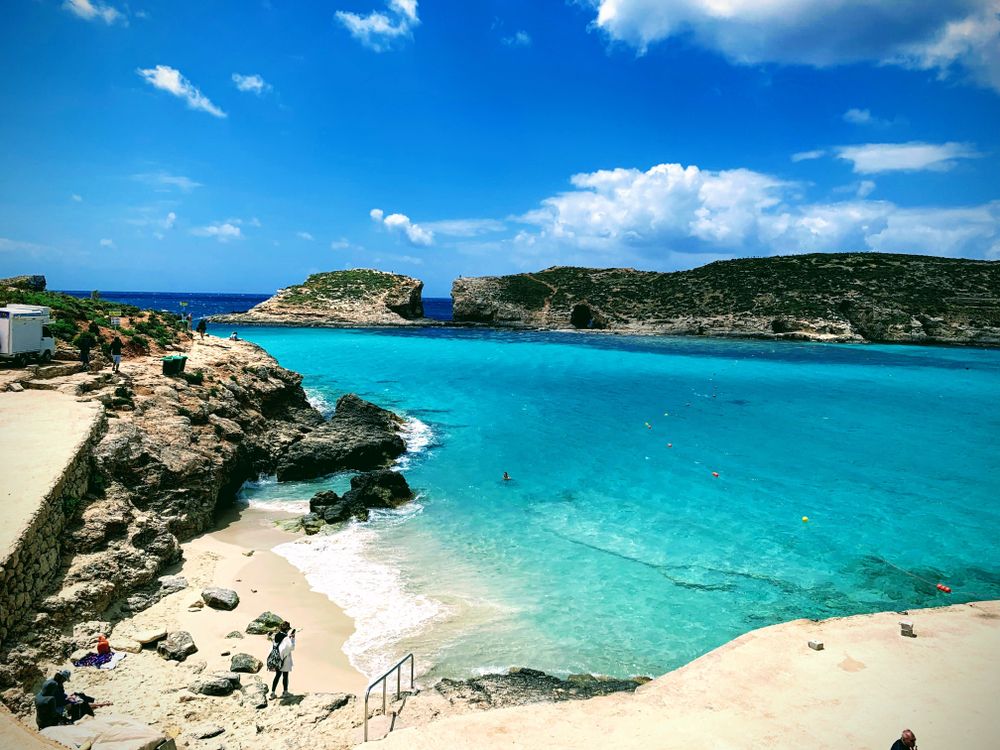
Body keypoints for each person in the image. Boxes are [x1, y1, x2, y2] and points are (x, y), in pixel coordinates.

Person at [269, 628, 295, 699]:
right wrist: (292, 639)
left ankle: (272, 693)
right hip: (285, 659)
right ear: (286, 629)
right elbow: (291, 647)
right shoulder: (286, 638)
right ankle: (285, 692)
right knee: (285, 676)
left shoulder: (276, 635)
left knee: (277, 676)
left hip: (277, 658)